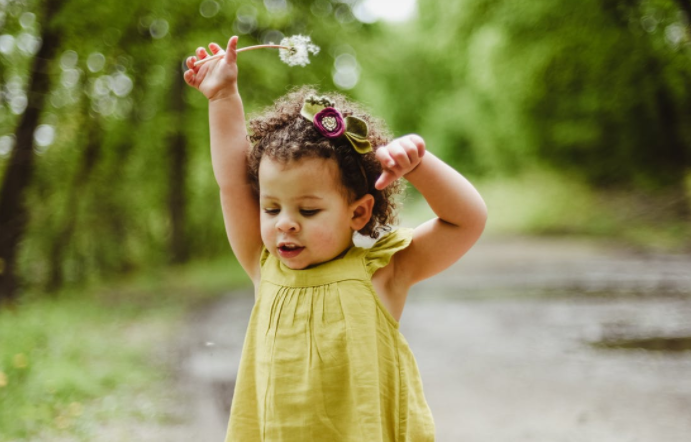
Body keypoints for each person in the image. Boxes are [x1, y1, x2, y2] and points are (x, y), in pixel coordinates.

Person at [184, 36, 488, 442]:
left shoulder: (383, 273)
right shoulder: (264, 265)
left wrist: (419, 166)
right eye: (271, 208)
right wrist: (222, 96)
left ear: (358, 212)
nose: (285, 224)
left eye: (308, 211)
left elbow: (466, 221)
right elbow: (233, 184)